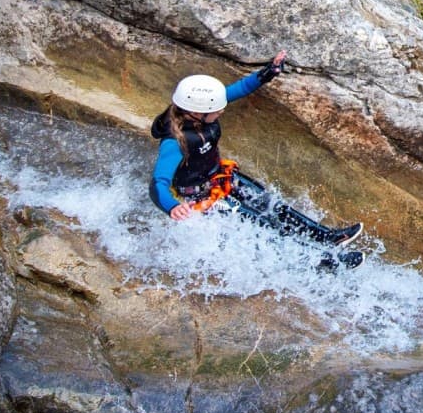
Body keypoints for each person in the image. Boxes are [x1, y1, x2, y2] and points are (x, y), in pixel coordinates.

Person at [149, 51, 363, 268]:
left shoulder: (198, 110)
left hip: (220, 178)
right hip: (201, 198)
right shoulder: (175, 142)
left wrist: (268, 72)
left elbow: (239, 89)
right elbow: (158, 183)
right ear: (196, 112)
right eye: (216, 109)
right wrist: (172, 207)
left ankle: (326, 237)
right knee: (261, 223)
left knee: (273, 205)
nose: (222, 110)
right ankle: (320, 261)